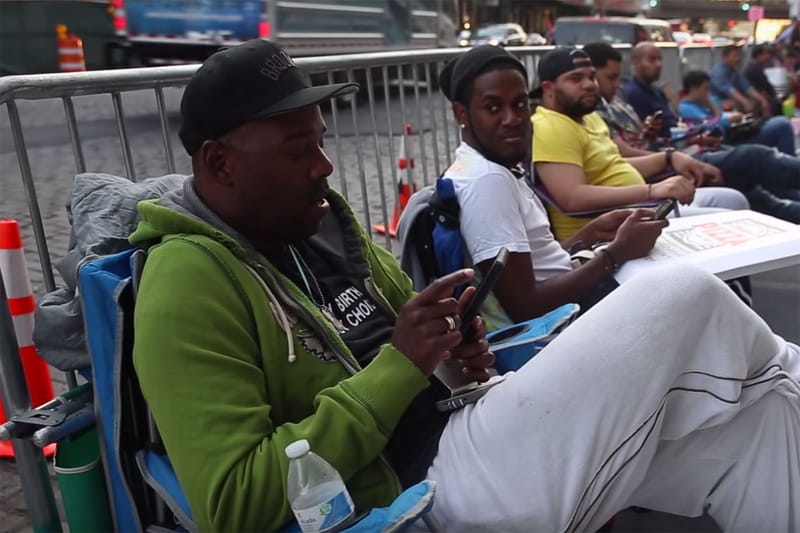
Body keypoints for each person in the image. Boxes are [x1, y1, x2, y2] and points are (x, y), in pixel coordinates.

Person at [131, 40, 800, 532]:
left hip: (470, 421)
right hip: (416, 493)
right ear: (219, 163)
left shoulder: (318, 224)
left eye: (321, 142)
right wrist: (400, 366)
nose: (324, 166)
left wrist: (451, 345)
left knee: (763, 424)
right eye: (297, 149)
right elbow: (232, 503)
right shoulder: (186, 281)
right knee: (680, 295)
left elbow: (412, 339)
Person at [433, 45, 664, 329]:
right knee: (689, 287)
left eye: (519, 104)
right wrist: (615, 254)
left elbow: (535, 269)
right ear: (462, 113)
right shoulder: (487, 180)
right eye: (493, 107)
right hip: (557, 332)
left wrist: (589, 234)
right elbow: (526, 308)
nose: (512, 118)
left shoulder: (488, 166)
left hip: (569, 304)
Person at [531, 47, 749, 241]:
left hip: (640, 209)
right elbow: (572, 198)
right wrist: (652, 190)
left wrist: (670, 158)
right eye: (576, 79)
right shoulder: (550, 126)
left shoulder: (588, 117)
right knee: (733, 218)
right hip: (613, 228)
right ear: (549, 88)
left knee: (734, 199)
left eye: (591, 77)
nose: (589, 85)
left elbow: (617, 163)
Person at [583, 42, 800, 224]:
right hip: (666, 168)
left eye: (660, 59)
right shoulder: (619, 100)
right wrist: (671, 157)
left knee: (751, 178)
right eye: (609, 78)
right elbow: (623, 156)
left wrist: (661, 137)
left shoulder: (621, 100)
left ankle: (787, 205)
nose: (658, 64)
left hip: (675, 154)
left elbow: (639, 144)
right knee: (755, 156)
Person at [625, 42, 796, 155]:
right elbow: (658, 139)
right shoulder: (635, 94)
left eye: (660, 59)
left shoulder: (657, 91)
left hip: (700, 143)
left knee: (763, 149)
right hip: (687, 150)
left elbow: (678, 125)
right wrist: (697, 137)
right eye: (652, 59)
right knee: (762, 147)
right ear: (636, 62)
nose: (659, 64)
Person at [743, 44, 782, 117]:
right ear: (759, 55)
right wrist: (775, 95)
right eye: (765, 53)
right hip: (753, 95)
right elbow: (765, 84)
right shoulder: (754, 67)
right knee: (775, 103)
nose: (767, 55)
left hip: (757, 92)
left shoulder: (756, 65)